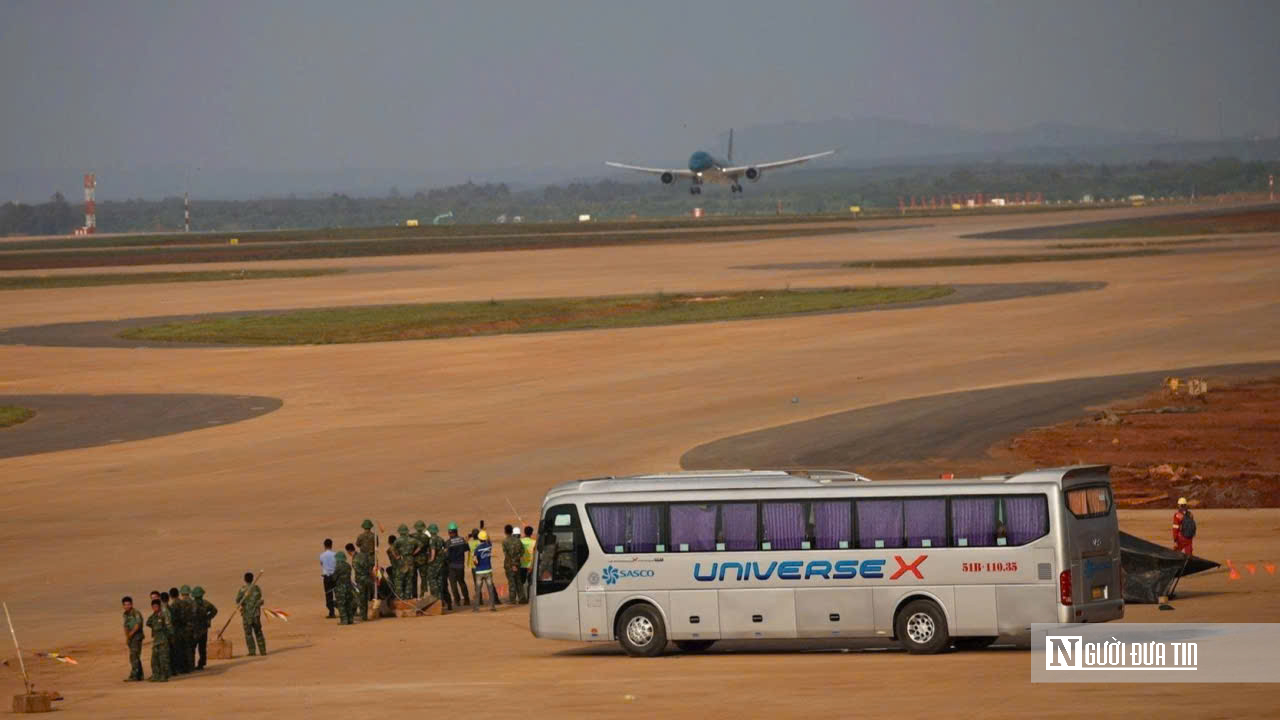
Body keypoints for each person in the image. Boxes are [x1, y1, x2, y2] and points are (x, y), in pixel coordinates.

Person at [235, 572, 267, 656]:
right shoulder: (256, 588)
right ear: (252, 579)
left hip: (247, 615)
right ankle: (263, 651)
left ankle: (252, 651)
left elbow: (237, 600)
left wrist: (244, 601)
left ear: (245, 579)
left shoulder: (242, 589)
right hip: (256, 614)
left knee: (248, 633)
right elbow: (259, 597)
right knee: (258, 632)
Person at [190, 586, 217, 670]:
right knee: (202, 647)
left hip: (194, 629)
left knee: (192, 648)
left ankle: (191, 664)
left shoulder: (191, 604)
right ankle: (201, 664)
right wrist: (208, 617)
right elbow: (215, 610)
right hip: (203, 629)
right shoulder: (206, 603)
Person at [445, 523, 472, 607]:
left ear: (449, 532)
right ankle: (467, 600)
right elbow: (467, 548)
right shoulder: (462, 540)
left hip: (451, 566)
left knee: (453, 584)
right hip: (460, 566)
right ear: (456, 531)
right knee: (462, 582)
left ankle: (457, 601)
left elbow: (446, 555)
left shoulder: (448, 542)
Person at [426, 524, 451, 611]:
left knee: (433, 582)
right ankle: (441, 602)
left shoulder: (432, 539)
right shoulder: (440, 538)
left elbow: (433, 550)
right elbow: (446, 548)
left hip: (434, 565)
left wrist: (431, 559)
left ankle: (436, 602)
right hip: (441, 564)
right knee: (440, 582)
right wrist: (442, 555)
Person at [146, 599, 171, 682]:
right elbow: (148, 622)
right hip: (156, 641)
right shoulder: (153, 616)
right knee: (154, 660)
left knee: (163, 660)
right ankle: (156, 675)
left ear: (159, 606)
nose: (155, 608)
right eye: (153, 607)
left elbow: (168, 627)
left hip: (163, 640)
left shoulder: (163, 615)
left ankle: (164, 676)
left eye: (156, 606)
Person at [473, 530, 498, 612]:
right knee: (490, 589)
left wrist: (476, 564)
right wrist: (486, 534)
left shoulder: (477, 549)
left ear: (479, 539)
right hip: (488, 570)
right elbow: (489, 540)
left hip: (479, 571)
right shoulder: (489, 546)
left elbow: (475, 561)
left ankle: (476, 608)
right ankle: (492, 606)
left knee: (478, 590)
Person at [393, 524, 418, 600]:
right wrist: (414, 553)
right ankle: (407, 597)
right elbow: (420, 545)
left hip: (402, 560)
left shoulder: (398, 540)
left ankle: (400, 597)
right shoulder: (412, 540)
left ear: (400, 532)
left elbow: (392, 549)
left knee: (399, 580)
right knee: (409, 580)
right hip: (410, 560)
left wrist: (396, 556)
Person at [122, 596, 144, 682]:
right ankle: (139, 675)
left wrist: (130, 634)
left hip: (137, 636)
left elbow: (138, 625)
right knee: (135, 656)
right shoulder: (125, 614)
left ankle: (135, 675)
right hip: (131, 637)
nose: (127, 606)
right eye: (125, 605)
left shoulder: (136, 613)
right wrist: (127, 637)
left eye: (128, 604)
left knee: (134, 656)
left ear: (131, 604)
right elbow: (125, 626)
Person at [348, 542, 372, 621]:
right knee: (365, 598)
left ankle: (363, 616)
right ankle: (364, 616)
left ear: (349, 551)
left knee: (360, 598)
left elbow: (357, 571)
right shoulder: (363, 555)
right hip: (368, 579)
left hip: (360, 581)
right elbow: (369, 565)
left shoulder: (355, 560)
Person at [503, 525, 525, 604]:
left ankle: (512, 600)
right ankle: (522, 598)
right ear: (512, 531)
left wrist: (512, 565)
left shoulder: (505, 541)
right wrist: (516, 562)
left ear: (505, 531)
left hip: (509, 565)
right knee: (518, 581)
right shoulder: (518, 541)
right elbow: (522, 551)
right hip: (517, 564)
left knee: (511, 582)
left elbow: (507, 554)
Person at [333, 547, 355, 625]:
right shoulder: (348, 566)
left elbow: (334, 577)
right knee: (348, 603)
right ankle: (350, 619)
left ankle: (344, 620)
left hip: (340, 588)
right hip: (349, 587)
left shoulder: (337, 566)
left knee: (341, 604)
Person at [178, 585, 198, 672]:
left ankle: (187, 667)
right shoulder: (194, 603)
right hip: (193, 628)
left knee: (185, 648)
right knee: (191, 648)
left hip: (184, 628)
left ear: (182, 593)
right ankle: (191, 665)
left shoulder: (181, 603)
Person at [411, 521, 431, 599]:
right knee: (424, 578)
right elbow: (429, 548)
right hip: (423, 560)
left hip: (414, 560)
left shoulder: (411, 536)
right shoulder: (426, 537)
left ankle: (414, 595)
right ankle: (423, 594)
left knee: (413, 578)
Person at [320, 538, 337, 619]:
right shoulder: (335, 554)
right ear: (331, 545)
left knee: (328, 594)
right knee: (338, 594)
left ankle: (331, 612)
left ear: (324, 546)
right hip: (335, 577)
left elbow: (322, 564)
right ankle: (342, 610)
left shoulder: (322, 555)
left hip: (327, 577)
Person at [520, 526, 536, 603]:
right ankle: (529, 598)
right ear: (531, 533)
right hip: (530, 565)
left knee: (522, 582)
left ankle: (523, 598)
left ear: (524, 532)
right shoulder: (534, 542)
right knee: (530, 583)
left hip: (522, 565)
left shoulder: (520, 541)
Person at [468, 528, 481, 603]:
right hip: (481, 565)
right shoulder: (480, 542)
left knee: (476, 583)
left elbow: (464, 543)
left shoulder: (470, 543)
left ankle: (479, 599)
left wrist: (469, 537)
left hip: (474, 565)